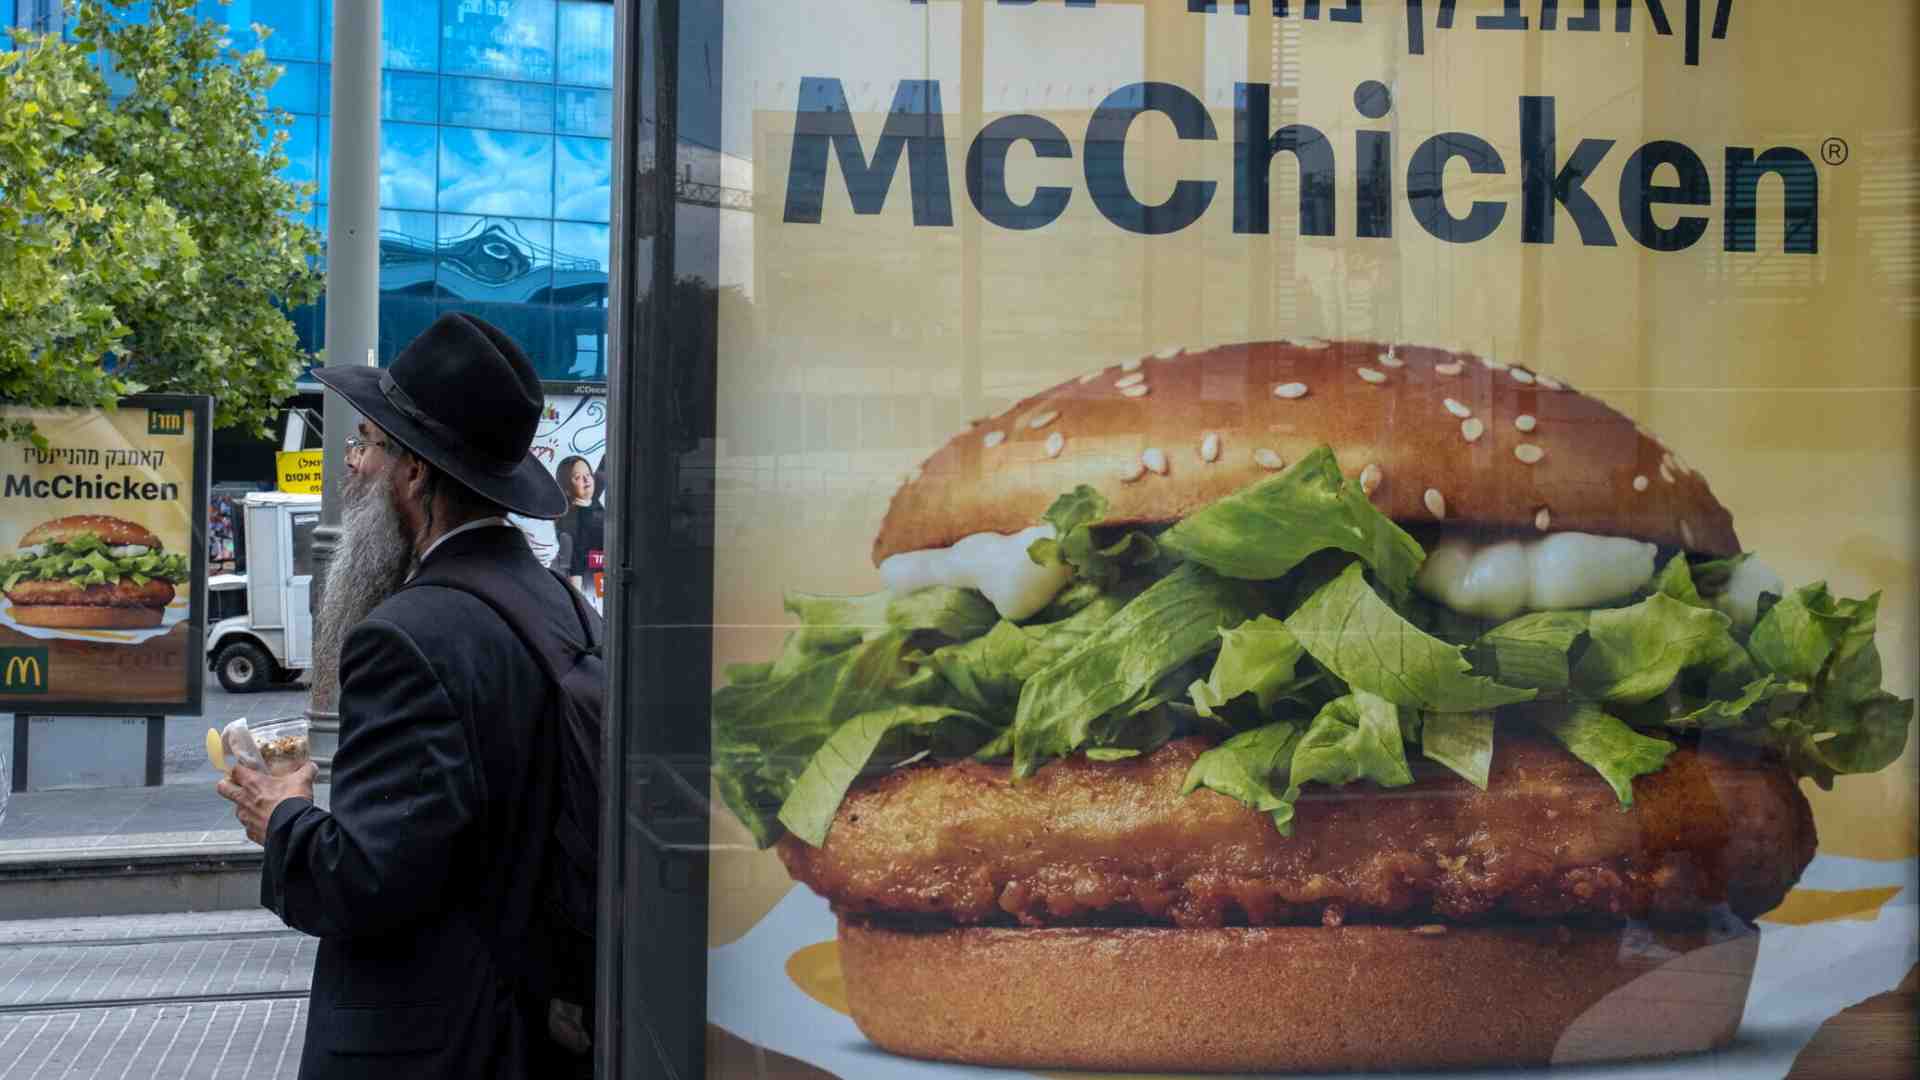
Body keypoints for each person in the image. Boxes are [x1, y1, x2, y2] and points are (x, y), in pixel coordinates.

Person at [216, 314, 592, 1079]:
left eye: (367, 445)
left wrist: (280, 814)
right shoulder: (560, 603)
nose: (352, 466)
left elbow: (365, 883)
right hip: (535, 1029)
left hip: (441, 1043)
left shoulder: (409, 636)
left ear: (414, 474)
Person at [552, 454, 604, 593]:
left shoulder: (590, 498)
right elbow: (576, 564)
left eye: (588, 474)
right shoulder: (571, 522)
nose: (587, 480)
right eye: (578, 477)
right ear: (567, 489)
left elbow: (602, 472)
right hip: (595, 579)